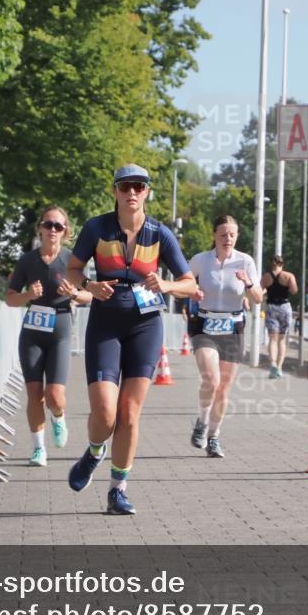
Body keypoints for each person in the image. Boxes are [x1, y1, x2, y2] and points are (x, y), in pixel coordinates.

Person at [65, 164, 197, 515]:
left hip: (145, 325)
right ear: (115, 192)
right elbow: (72, 269)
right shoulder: (97, 227)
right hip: (105, 323)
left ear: (147, 192)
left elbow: (190, 283)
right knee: (106, 413)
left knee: (129, 412)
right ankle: (94, 451)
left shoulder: (160, 234)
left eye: (139, 187)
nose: (132, 193)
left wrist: (167, 285)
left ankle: (117, 490)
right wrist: (89, 285)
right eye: (125, 187)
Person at [5, 207, 92, 467]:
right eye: (49, 224)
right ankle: (39, 449)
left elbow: (92, 294)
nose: (53, 230)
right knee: (34, 395)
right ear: (40, 228)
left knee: (54, 396)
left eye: (59, 226)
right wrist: (27, 296)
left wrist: (75, 294)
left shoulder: (71, 261)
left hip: (60, 329)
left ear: (66, 232)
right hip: (32, 331)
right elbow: (10, 299)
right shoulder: (27, 261)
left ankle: (58, 415)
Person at [187, 215, 263, 458]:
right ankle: (201, 421)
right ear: (214, 235)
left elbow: (258, 298)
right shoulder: (200, 260)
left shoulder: (245, 261)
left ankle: (214, 437)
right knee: (211, 379)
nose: (228, 238)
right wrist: (194, 291)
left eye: (232, 234)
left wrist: (248, 283)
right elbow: (184, 284)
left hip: (233, 326)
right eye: (223, 234)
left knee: (224, 389)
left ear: (237, 236)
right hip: (205, 323)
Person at [260, 254, 297, 379]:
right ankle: (280, 367)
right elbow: (294, 290)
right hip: (285, 307)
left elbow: (260, 291)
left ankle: (272, 365)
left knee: (272, 339)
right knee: (282, 339)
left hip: (271, 308)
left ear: (272, 264)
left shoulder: (266, 277)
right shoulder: (288, 276)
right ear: (282, 264)